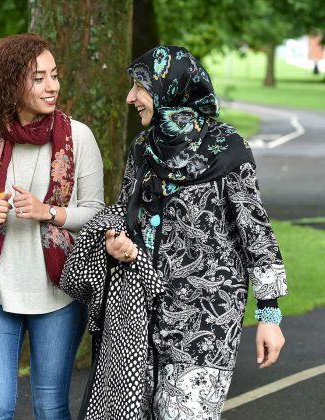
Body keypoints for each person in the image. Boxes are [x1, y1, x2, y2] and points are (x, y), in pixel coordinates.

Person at [108, 46, 286, 418]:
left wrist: (269, 317)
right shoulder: (142, 149)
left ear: (168, 89)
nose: (131, 98)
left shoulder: (228, 150)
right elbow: (124, 217)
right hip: (143, 317)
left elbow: (258, 237)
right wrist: (117, 242)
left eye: (140, 87)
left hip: (207, 321)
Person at [0, 33, 105, 420]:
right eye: (39, 77)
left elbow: (97, 212)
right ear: (11, 83)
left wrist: (50, 212)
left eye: (54, 75)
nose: (52, 86)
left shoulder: (78, 136)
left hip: (57, 291)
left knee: (49, 406)